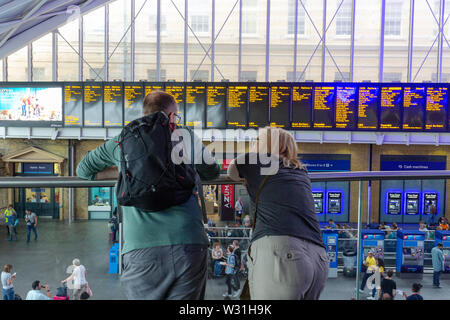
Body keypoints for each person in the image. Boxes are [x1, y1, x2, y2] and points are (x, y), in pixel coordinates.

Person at [76, 90, 220, 300]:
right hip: (189, 243)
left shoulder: (123, 140)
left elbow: (83, 171)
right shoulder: (185, 136)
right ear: (171, 116)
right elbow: (212, 172)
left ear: (144, 113)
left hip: (141, 248)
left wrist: (124, 169)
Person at [227, 127, 328, 300]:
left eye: (256, 140)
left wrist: (252, 159)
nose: (253, 144)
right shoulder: (301, 171)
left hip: (283, 254)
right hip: (318, 258)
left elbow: (232, 171)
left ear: (266, 145)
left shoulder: (256, 161)